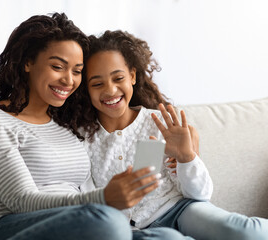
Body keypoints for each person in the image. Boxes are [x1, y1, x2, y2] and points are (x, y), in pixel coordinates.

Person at [0, 13, 171, 240]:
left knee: (169, 237)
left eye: (76, 71)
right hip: (8, 228)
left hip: (82, 223)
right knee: (108, 222)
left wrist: (184, 155)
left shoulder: (66, 123)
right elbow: (21, 200)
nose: (68, 80)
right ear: (27, 62)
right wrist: (103, 199)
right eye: (58, 66)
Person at [66, 30, 268, 240]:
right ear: (85, 88)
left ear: (132, 76)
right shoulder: (81, 137)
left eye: (118, 78)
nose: (110, 90)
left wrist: (187, 158)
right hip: (129, 230)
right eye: (97, 84)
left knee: (248, 231)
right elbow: (86, 199)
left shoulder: (161, 124)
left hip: (180, 210)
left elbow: (200, 195)